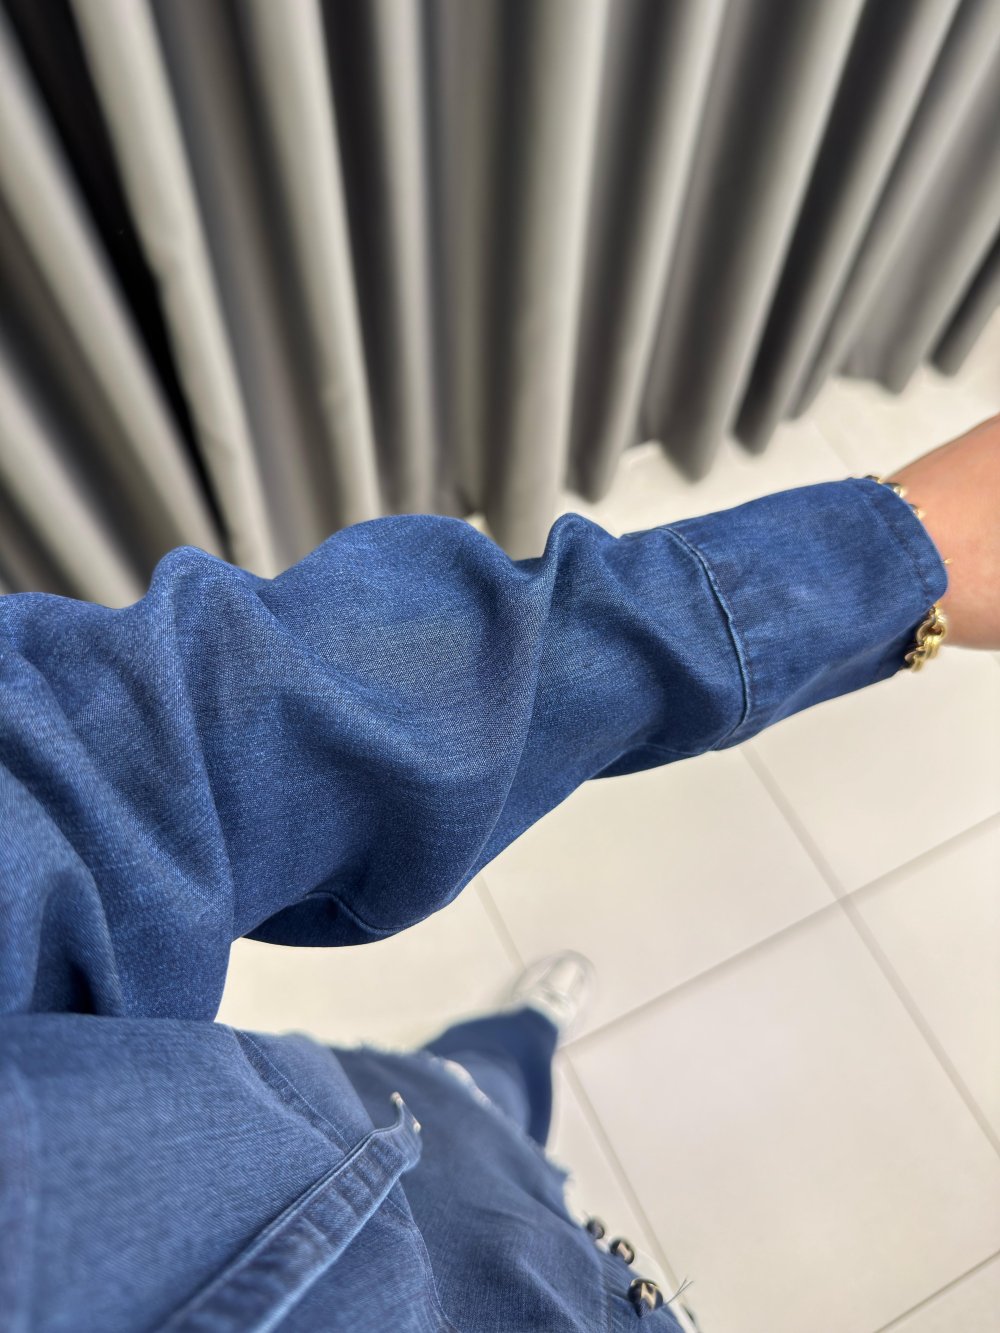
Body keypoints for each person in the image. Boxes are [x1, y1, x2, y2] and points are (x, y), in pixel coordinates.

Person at [1, 416, 997, 1332]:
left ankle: (496, 1060)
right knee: (499, 1135)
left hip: (341, 1123)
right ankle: (499, 1083)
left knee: (474, 1080)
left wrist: (883, 563)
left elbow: (142, 768)